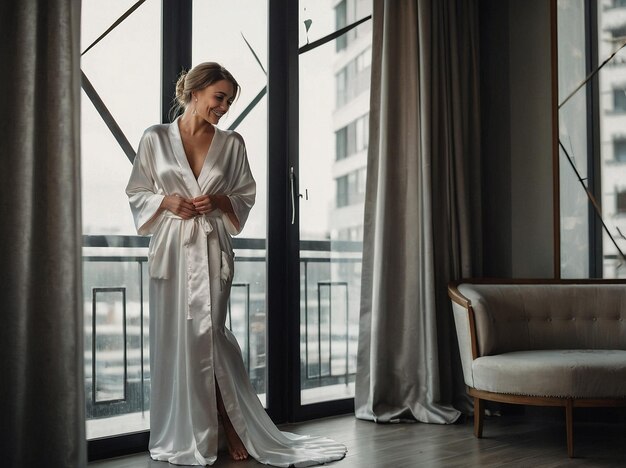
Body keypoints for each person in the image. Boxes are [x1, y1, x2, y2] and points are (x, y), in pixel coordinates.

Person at [126, 62, 347, 466]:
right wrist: (165, 201)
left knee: (210, 337)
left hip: (211, 250)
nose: (224, 107)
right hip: (173, 250)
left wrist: (220, 200)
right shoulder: (154, 138)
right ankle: (192, 429)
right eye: (219, 97)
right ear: (194, 93)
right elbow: (137, 190)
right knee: (177, 340)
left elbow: (245, 195)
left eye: (228, 100)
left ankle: (230, 423)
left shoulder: (232, 143)